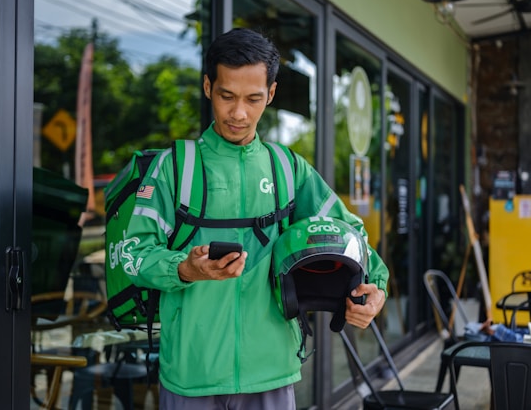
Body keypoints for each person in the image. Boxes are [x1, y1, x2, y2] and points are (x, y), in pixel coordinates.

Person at [124, 28, 389, 409]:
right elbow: (134, 253)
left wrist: (375, 287)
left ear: (272, 94)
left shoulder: (289, 170)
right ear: (207, 87)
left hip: (272, 372)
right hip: (190, 373)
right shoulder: (173, 169)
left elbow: (351, 234)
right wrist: (184, 268)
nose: (238, 113)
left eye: (254, 98)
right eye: (226, 96)